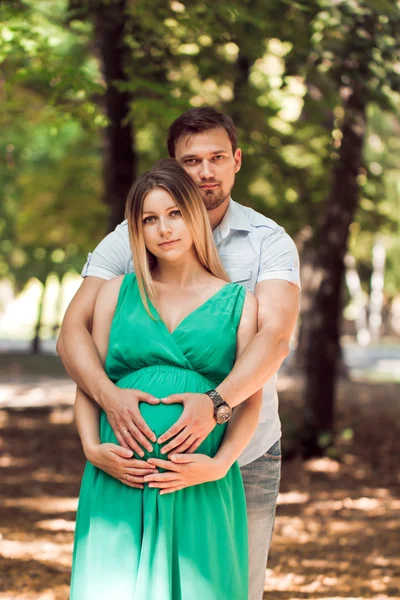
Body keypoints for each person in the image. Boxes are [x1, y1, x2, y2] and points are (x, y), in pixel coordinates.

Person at [58, 107, 300, 600]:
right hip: (122, 466)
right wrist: (107, 403)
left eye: (216, 158)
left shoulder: (266, 243)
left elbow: (273, 340)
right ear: (174, 166)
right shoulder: (126, 245)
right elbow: (75, 339)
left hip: (235, 456)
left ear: (236, 160)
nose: (205, 172)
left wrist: (214, 412)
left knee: (229, 585)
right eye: (191, 161)